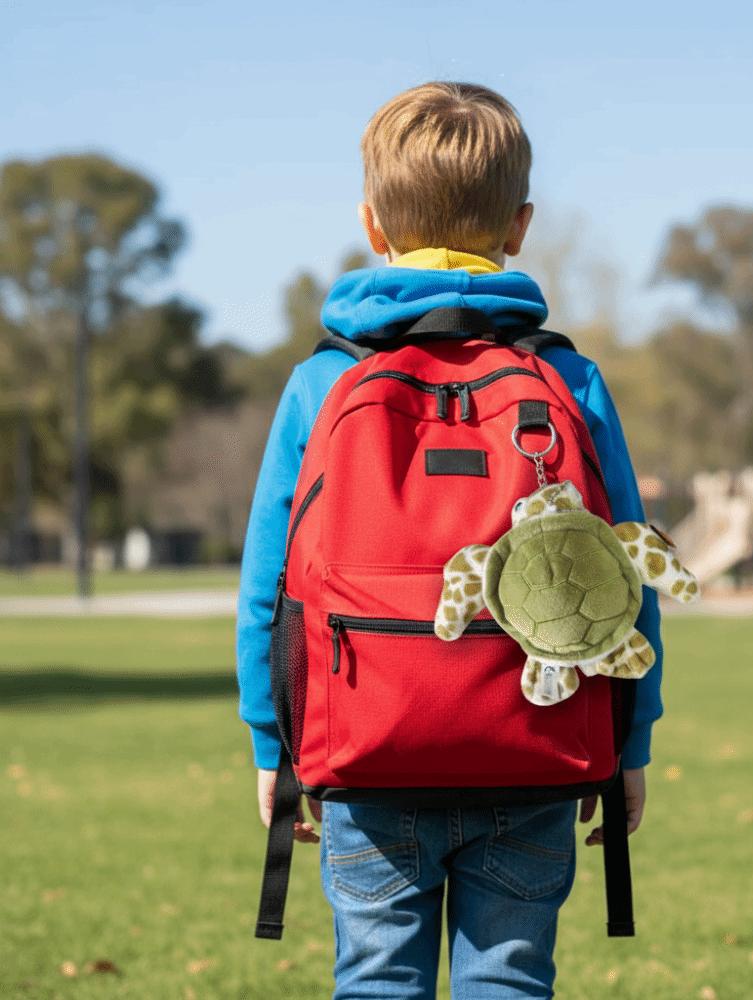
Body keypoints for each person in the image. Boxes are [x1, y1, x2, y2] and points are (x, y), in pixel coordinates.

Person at [236, 80, 665, 999]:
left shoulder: (322, 385)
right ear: (519, 226)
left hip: (366, 752)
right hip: (535, 744)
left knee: (378, 982)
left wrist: (273, 746)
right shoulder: (567, 377)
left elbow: (269, 586)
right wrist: (633, 744)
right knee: (509, 982)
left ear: (371, 225)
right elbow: (628, 569)